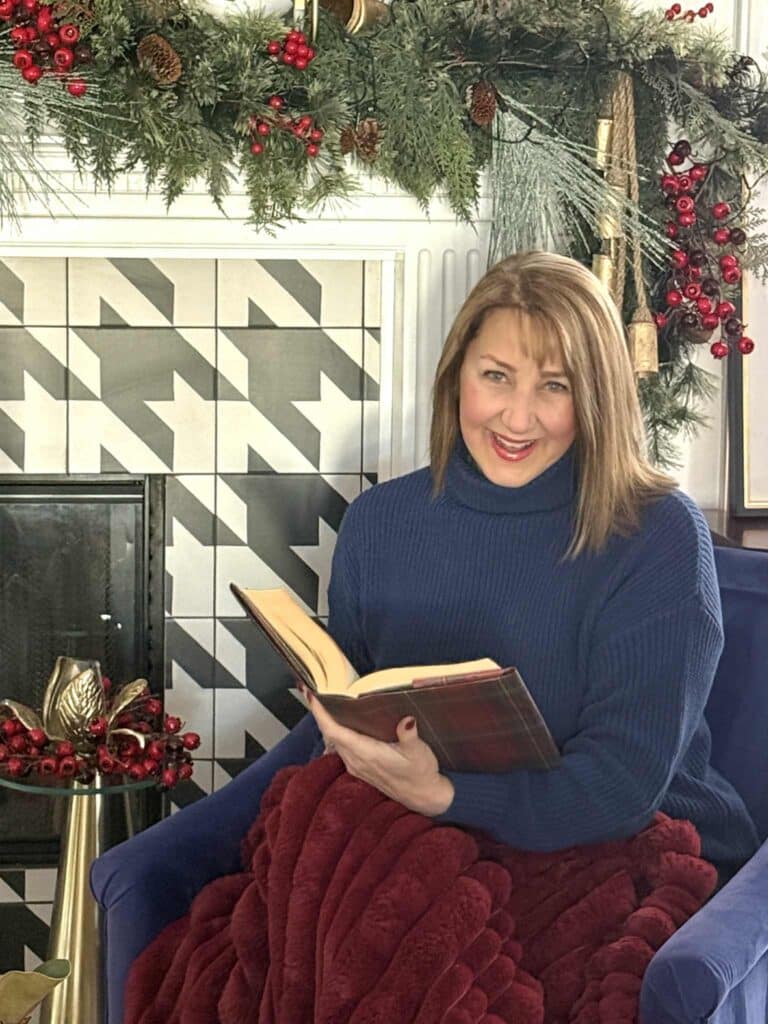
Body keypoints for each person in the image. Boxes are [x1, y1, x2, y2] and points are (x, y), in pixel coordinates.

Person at [300, 250, 758, 884]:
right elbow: (348, 724)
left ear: (596, 398)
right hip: (429, 837)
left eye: (555, 385)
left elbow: (624, 786)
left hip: (631, 845)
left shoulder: (657, 532)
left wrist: (446, 797)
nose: (517, 418)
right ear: (457, 374)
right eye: (496, 376)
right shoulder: (377, 522)